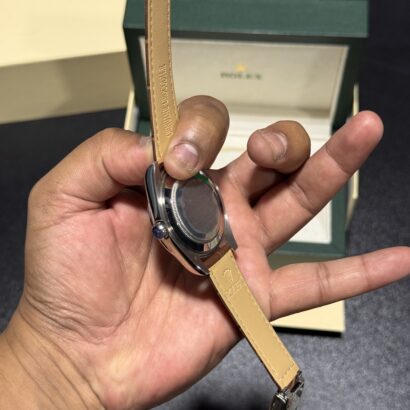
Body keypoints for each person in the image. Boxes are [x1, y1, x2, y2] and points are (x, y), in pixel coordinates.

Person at [0, 96, 408, 409]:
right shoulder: (163, 214)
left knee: (184, 152)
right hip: (205, 248)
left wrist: (58, 376)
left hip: (209, 245)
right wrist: (57, 366)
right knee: (178, 153)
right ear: (162, 228)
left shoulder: (205, 215)